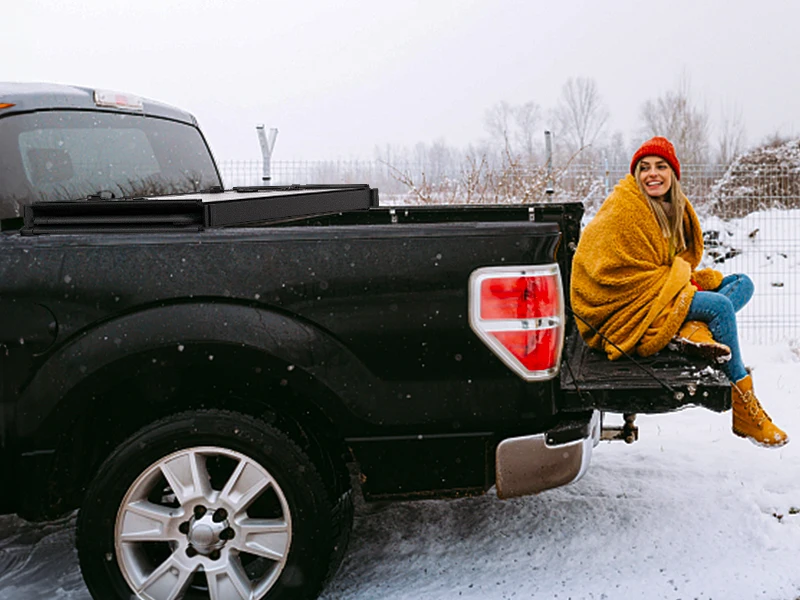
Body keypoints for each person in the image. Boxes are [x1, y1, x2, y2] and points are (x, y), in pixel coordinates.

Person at [570, 136, 788, 448]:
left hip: (657, 291)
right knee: (721, 308)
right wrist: (679, 284)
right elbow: (610, 271)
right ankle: (745, 409)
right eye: (644, 168)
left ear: (673, 173)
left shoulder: (672, 209)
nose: (651, 174)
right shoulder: (625, 207)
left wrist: (680, 283)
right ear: (635, 174)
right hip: (623, 307)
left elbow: (669, 265)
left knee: (742, 283)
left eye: (660, 166)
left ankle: (690, 328)